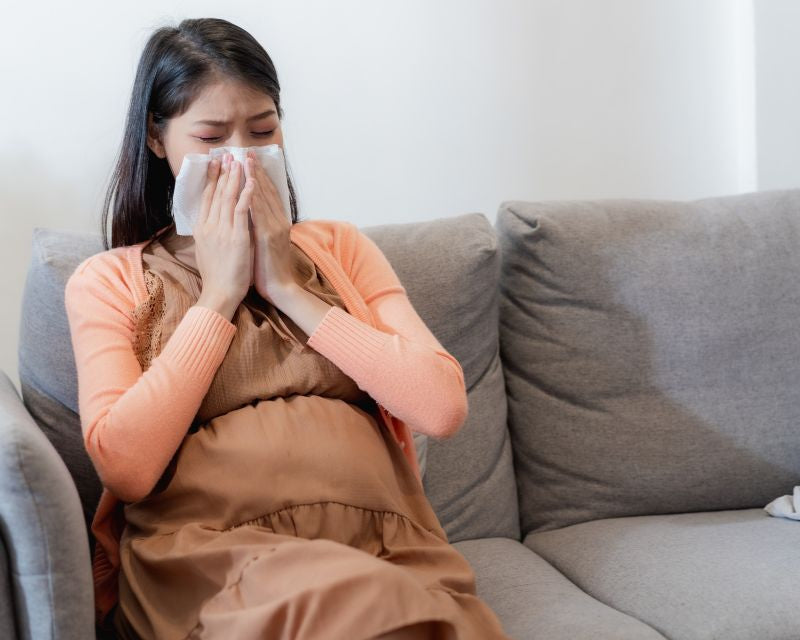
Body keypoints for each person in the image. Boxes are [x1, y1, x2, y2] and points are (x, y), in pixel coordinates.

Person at [64, 16, 511, 640]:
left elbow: (440, 407)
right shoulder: (109, 280)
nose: (242, 160)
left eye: (263, 131)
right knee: (364, 608)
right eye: (212, 138)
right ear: (158, 140)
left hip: (385, 539)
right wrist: (218, 295)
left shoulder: (338, 247)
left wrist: (289, 289)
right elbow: (127, 468)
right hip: (218, 553)